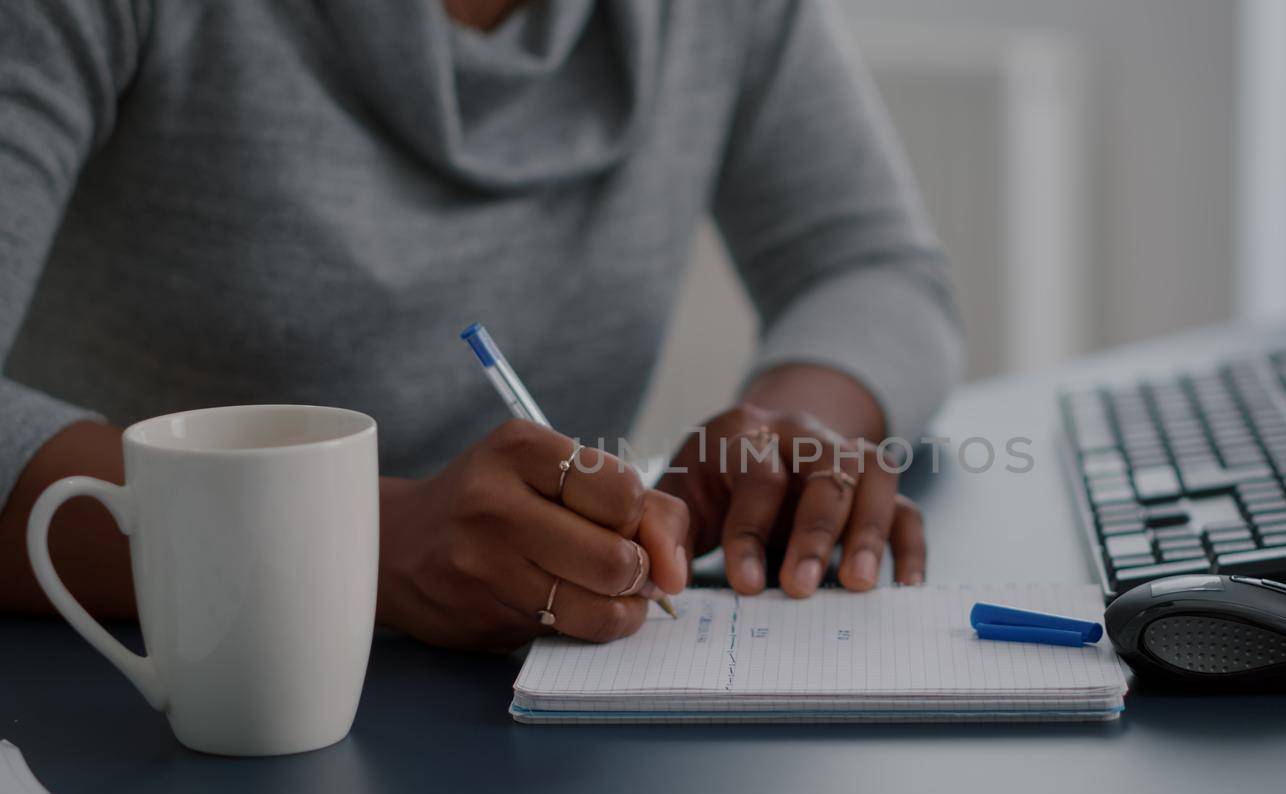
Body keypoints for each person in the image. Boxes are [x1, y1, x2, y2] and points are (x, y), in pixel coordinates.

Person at [0, 0, 963, 651]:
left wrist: (789, 428)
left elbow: (871, 269)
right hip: (134, 683)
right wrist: (354, 542)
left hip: (530, 700)